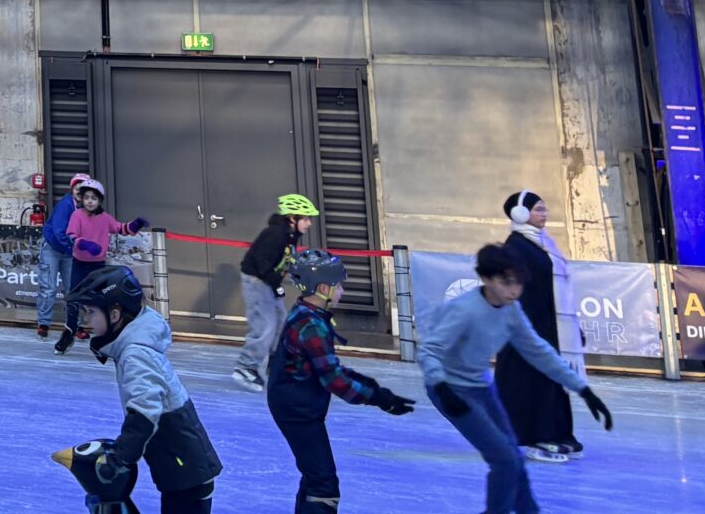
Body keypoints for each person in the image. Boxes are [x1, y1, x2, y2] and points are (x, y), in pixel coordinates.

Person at [418, 242, 613, 514]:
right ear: (486, 278)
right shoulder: (464, 310)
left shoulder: (511, 310)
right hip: (450, 390)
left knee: (514, 460)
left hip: (481, 387)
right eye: (505, 282)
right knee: (505, 460)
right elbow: (430, 350)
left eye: (518, 283)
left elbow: (538, 350)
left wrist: (582, 389)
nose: (513, 290)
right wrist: (440, 385)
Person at [54, 264, 224, 514]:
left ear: (114, 314)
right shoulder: (132, 344)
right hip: (181, 464)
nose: (86, 319)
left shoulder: (135, 353)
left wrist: (120, 458)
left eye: (91, 311)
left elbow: (144, 412)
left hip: (185, 469)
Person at [262, 247, 412, 514]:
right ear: (323, 288)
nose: (342, 290)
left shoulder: (307, 314)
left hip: (295, 402)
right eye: (338, 285)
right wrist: (378, 398)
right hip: (297, 409)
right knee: (323, 484)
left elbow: (330, 368)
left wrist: (375, 389)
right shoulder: (312, 325)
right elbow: (334, 380)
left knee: (315, 476)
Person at [497, 190, 583, 461]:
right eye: (538, 209)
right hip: (527, 328)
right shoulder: (515, 247)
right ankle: (536, 436)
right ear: (520, 213)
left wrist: (570, 326)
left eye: (545, 209)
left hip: (549, 324)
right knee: (531, 383)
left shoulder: (544, 244)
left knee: (552, 380)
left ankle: (559, 433)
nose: (544, 214)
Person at [232, 192, 318, 389]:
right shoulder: (275, 234)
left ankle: (276, 364)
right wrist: (275, 284)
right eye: (306, 218)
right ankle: (246, 367)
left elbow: (284, 260)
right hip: (257, 280)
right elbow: (261, 262)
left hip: (269, 281)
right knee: (266, 325)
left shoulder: (291, 235)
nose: (309, 223)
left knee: (281, 322)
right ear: (292, 218)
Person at [55, 177, 148, 352]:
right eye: (87, 197)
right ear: (82, 199)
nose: (90, 201)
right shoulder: (77, 215)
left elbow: (120, 228)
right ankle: (69, 331)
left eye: (94, 198)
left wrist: (135, 225)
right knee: (74, 299)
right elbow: (71, 235)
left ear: (99, 200)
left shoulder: (105, 218)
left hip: (98, 266)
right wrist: (84, 244)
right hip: (80, 264)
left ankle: (106, 334)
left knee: (102, 300)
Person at [37, 173, 84, 337]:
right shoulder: (66, 204)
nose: (80, 192)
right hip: (52, 249)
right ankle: (44, 323)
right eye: (78, 188)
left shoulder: (86, 208)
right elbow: (59, 232)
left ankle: (74, 325)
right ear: (72, 189)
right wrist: (73, 249)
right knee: (48, 288)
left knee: (72, 289)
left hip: (69, 251)